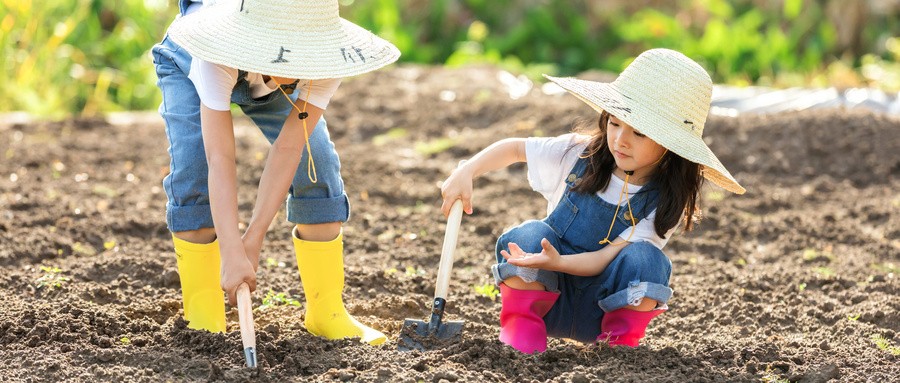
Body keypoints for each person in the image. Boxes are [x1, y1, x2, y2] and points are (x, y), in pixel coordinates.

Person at [440, 48, 746, 353]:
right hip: (548, 292)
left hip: (600, 308)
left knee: (646, 260)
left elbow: (602, 260)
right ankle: (521, 338)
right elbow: (516, 148)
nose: (620, 140)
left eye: (639, 133)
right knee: (528, 237)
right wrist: (468, 170)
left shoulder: (664, 201)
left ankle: (617, 350)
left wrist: (559, 261)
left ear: (671, 145)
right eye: (615, 123)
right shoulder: (576, 154)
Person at [150, 0, 400, 345]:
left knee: (318, 164)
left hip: (263, 77)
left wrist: (252, 240)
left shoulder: (325, 60)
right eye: (296, 55)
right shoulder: (214, 49)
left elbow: (289, 148)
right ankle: (203, 312)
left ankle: (327, 312)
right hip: (189, 58)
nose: (304, 63)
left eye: (310, 55)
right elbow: (220, 157)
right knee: (193, 169)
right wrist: (232, 253)